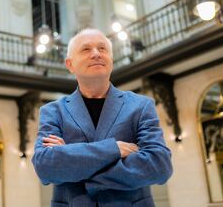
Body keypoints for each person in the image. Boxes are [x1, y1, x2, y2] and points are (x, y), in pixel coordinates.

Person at [32, 29, 172, 207]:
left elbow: (159, 166)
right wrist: (113, 149)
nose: (96, 54)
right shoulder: (53, 111)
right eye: (86, 49)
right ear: (70, 64)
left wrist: (72, 157)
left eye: (102, 48)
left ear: (111, 61)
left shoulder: (141, 106)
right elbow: (46, 167)